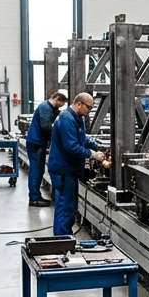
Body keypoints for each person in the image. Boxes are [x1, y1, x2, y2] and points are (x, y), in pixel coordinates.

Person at [46, 93, 106, 236]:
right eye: (88, 107)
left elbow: (81, 138)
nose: (89, 111)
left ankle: (64, 236)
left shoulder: (76, 118)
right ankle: (62, 239)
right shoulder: (67, 119)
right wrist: (93, 154)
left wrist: (97, 146)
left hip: (69, 170)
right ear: (79, 104)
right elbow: (71, 146)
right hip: (63, 170)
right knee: (65, 207)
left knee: (69, 206)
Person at [26, 92, 67, 207]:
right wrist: (58, 138)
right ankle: (34, 198)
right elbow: (45, 126)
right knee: (36, 170)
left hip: (38, 142)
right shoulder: (45, 107)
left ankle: (35, 196)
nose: (61, 106)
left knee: (39, 170)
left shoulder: (50, 108)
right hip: (36, 143)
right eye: (61, 104)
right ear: (57, 99)